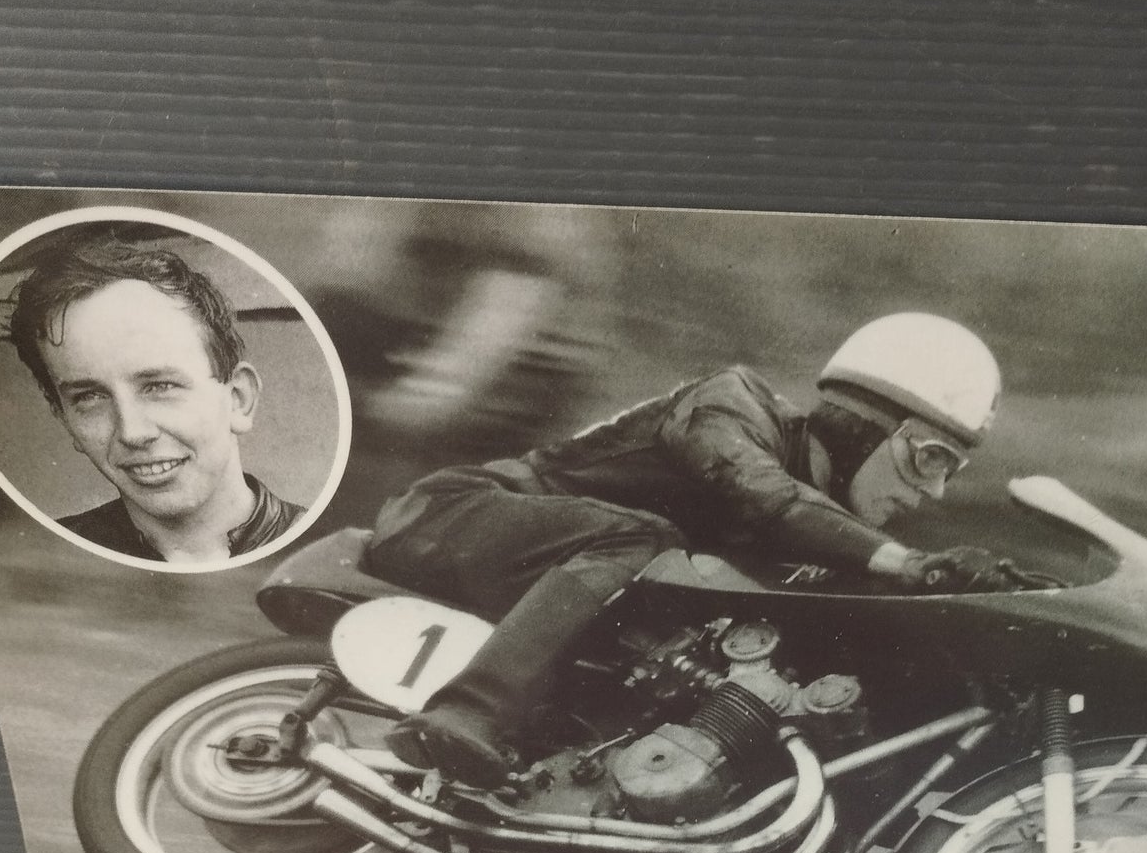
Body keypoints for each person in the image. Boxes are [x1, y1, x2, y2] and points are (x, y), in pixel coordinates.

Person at [368, 311, 1010, 787]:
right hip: (454, 514)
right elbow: (766, 495)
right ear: (868, 422)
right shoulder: (732, 404)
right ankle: (466, 713)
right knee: (646, 539)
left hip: (552, 583)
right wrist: (904, 560)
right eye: (931, 458)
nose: (933, 492)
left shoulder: (820, 524)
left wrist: (982, 586)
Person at [7, 230, 303, 564]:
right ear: (64, 417)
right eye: (90, 396)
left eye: (159, 386)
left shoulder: (330, 552)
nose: (132, 432)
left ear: (238, 398)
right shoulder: (37, 564)